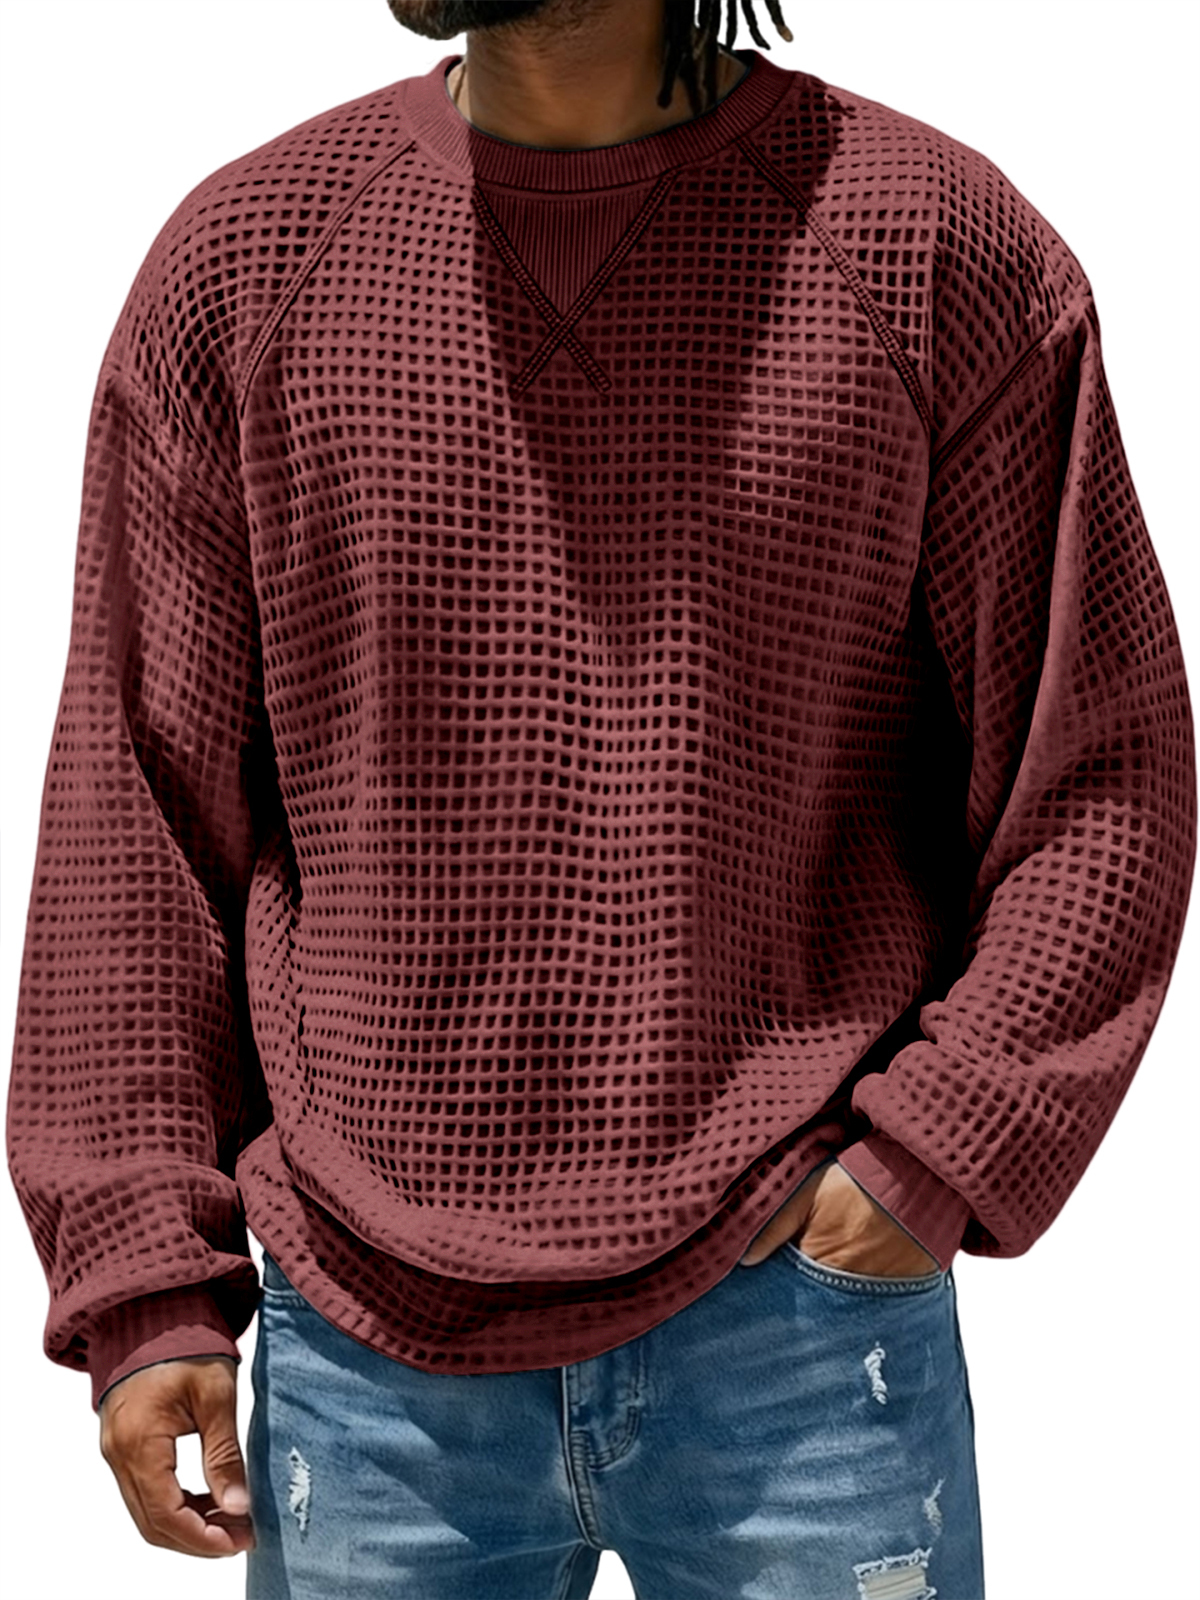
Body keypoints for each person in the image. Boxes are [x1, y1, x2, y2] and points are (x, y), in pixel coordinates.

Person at [6, 0, 1195, 1594]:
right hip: (366, 1348)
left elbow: (1099, 768)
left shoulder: (926, 246)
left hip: (797, 1321)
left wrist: (933, 1162)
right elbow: (136, 813)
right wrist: (145, 1279)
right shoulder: (247, 262)